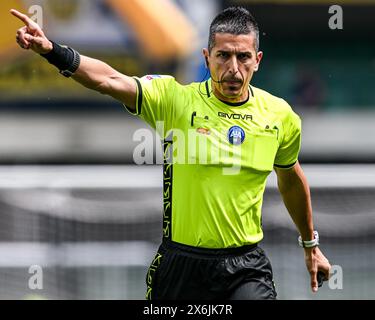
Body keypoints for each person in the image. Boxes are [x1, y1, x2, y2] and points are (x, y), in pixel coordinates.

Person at [11, 6, 331, 300]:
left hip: (244, 268)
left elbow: (290, 178)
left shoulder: (280, 116)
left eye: (243, 57)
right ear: (207, 57)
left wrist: (310, 244)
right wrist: (54, 51)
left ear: (257, 60)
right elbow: (109, 79)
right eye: (223, 56)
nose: (233, 68)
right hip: (181, 267)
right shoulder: (174, 100)